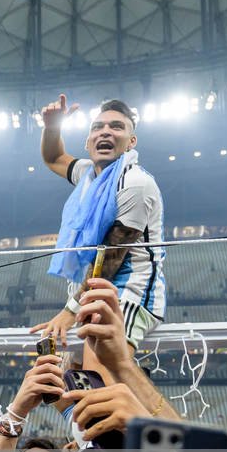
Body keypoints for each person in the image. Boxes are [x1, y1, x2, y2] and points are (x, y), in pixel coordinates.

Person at [33, 96, 165, 346]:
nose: (105, 131)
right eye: (97, 127)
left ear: (131, 142)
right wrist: (52, 127)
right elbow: (54, 157)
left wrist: (70, 311)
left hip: (127, 293)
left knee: (101, 366)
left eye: (117, 127)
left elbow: (111, 259)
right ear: (88, 142)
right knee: (74, 369)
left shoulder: (135, 182)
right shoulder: (88, 174)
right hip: (92, 293)